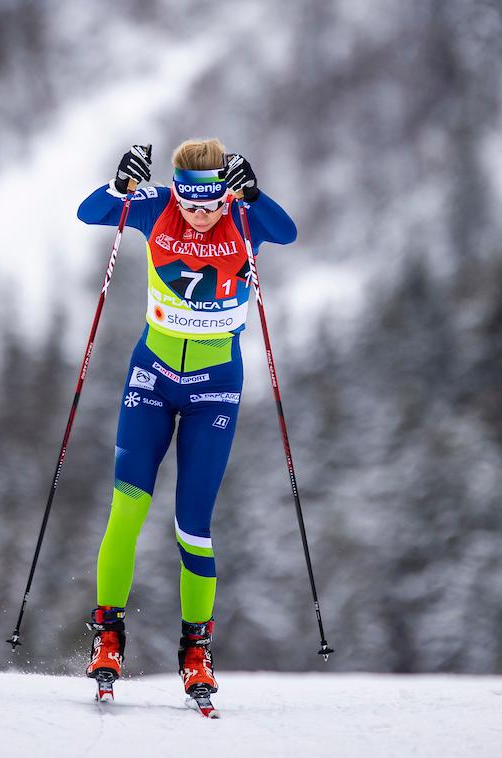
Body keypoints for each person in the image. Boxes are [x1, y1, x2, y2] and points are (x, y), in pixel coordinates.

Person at [75, 140, 297, 700]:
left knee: (192, 526)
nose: (198, 218)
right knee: (127, 508)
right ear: (176, 191)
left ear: (226, 195)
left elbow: (288, 231)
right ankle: (108, 635)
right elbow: (90, 213)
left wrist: (253, 192)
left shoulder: (245, 217)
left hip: (214, 391)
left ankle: (196, 649)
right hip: (151, 377)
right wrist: (118, 186)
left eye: (210, 205)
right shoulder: (156, 206)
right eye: (189, 205)